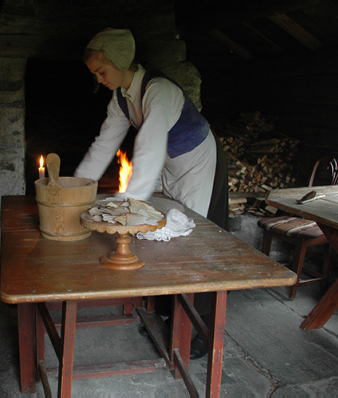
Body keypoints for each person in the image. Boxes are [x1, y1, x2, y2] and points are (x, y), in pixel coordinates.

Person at [75, 28, 228, 359]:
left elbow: (149, 144)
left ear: (119, 61)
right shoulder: (120, 98)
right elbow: (104, 145)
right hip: (168, 163)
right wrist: (77, 187)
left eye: (102, 71)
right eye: (95, 74)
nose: (99, 78)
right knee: (163, 233)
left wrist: (132, 203)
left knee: (190, 240)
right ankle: (166, 311)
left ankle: (196, 331)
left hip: (196, 161)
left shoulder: (159, 90)